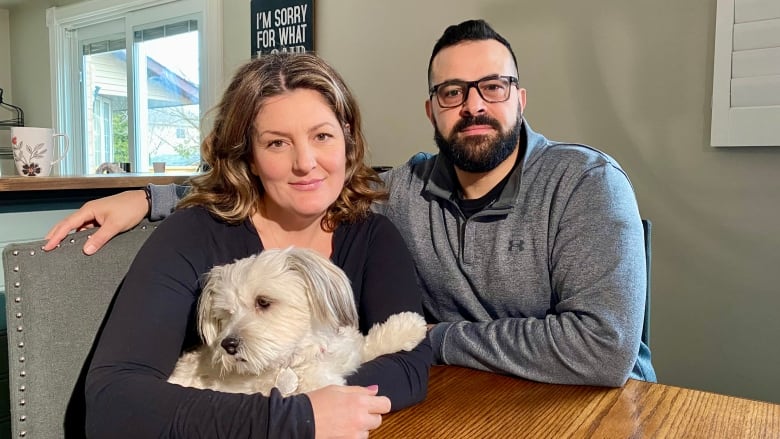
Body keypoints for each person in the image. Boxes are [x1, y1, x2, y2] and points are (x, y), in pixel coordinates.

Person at [46, 19, 655, 387]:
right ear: (431, 110)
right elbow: (301, 182)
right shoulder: (405, 191)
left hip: (593, 404)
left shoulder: (586, 182)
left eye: (492, 87)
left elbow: (602, 348)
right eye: (452, 91)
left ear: (520, 99)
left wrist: (433, 338)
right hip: (461, 398)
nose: (473, 105)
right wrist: (153, 198)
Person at [75, 53, 432, 438]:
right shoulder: (192, 236)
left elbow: (408, 366)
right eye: (277, 143)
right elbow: (114, 403)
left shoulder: (373, 236)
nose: (305, 162)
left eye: (322, 136)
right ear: (250, 156)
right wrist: (295, 417)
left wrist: (326, 398)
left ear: (346, 138)